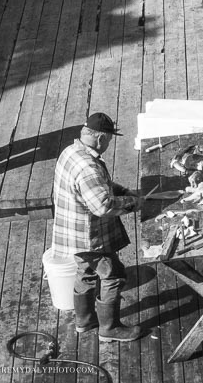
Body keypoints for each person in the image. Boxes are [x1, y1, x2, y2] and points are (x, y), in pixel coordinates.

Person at [53, 112, 143, 342]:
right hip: (89, 237)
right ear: (101, 138)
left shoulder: (71, 152)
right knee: (113, 275)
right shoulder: (88, 167)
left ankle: (84, 322)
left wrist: (121, 190)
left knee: (85, 273)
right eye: (110, 140)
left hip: (71, 234)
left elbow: (97, 186)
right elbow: (102, 205)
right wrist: (132, 203)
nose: (109, 144)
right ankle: (109, 329)